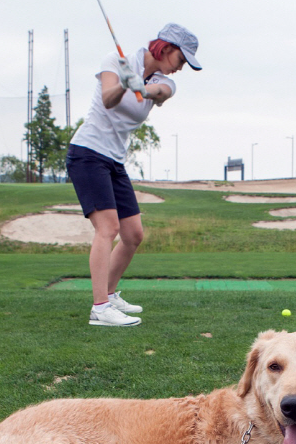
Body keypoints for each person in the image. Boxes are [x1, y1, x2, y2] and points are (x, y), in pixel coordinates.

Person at [66, 23, 201, 326]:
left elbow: (162, 92)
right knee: (108, 228)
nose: (180, 69)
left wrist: (142, 86)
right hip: (88, 153)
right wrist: (125, 84)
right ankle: (100, 307)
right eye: (181, 60)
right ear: (166, 48)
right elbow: (108, 99)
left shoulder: (163, 81)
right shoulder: (115, 63)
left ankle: (110, 294)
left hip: (114, 160)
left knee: (133, 234)